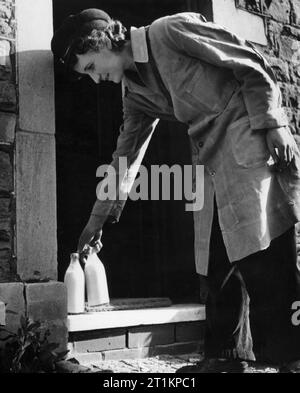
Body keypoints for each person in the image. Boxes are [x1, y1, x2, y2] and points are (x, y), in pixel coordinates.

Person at [51, 8, 300, 372]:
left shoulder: (169, 32)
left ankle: (292, 357)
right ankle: (226, 358)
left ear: (104, 41)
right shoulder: (133, 94)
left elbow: (248, 61)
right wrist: (97, 220)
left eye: (90, 67)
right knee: (215, 261)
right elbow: (126, 156)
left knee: (264, 253)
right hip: (209, 162)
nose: (95, 80)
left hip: (247, 138)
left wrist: (274, 122)